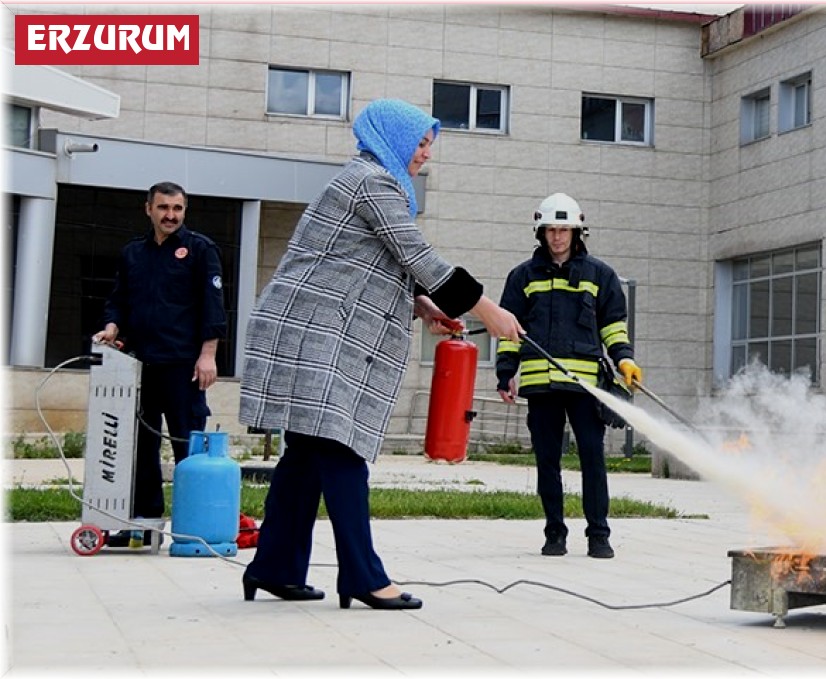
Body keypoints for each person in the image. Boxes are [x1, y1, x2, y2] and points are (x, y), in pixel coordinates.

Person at [238, 98, 523, 611]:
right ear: (393, 139)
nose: (426, 155)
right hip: (314, 332)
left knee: (306, 452)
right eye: (420, 143)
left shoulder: (369, 181)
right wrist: (491, 313)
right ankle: (364, 577)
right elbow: (418, 256)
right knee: (342, 450)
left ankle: (274, 566)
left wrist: (425, 307)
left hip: (313, 329)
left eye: (429, 145)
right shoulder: (373, 181)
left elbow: (368, 264)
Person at [496, 193, 641, 559]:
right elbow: (508, 332)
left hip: (584, 386)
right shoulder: (522, 277)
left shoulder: (600, 275)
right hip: (541, 386)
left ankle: (599, 535)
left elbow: (613, 327)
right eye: (551, 230)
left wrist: (624, 361)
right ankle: (554, 534)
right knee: (548, 462)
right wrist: (505, 374)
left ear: (578, 232)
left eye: (564, 230)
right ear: (540, 233)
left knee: (593, 458)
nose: (558, 237)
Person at [93, 181, 226, 533]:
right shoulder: (133, 253)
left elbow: (213, 307)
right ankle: (144, 519)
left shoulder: (200, 250)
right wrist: (112, 326)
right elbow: (118, 300)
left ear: (185, 211)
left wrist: (208, 355)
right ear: (148, 209)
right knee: (140, 445)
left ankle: (192, 523)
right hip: (139, 365)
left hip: (184, 365)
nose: (171, 215)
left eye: (177, 209)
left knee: (188, 442)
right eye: (164, 208)